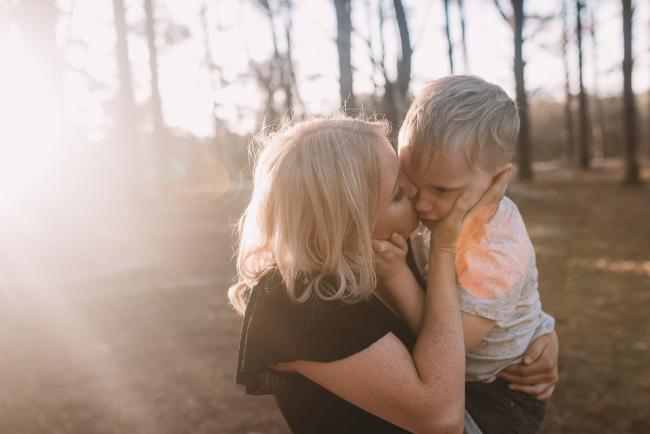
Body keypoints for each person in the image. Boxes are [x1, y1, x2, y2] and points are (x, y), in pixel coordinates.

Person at [230, 115, 558, 433]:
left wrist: (541, 335)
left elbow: (472, 310)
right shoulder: (292, 299)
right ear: (347, 220)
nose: (418, 197)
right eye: (399, 194)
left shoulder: (390, 250)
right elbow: (441, 418)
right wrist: (444, 247)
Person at [372, 76, 558, 434]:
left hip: (502, 395)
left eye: (442, 189)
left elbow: (451, 344)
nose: (422, 204)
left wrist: (396, 275)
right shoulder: (445, 209)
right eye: (410, 181)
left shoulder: (499, 250)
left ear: (497, 180)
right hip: (462, 380)